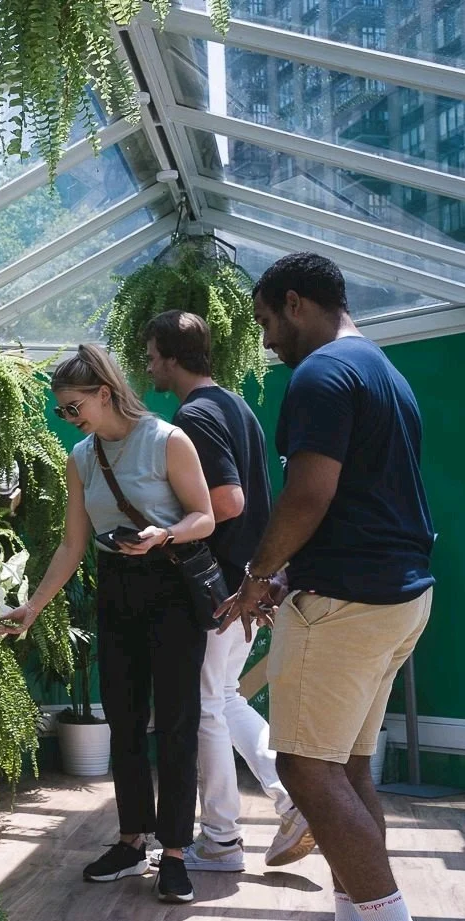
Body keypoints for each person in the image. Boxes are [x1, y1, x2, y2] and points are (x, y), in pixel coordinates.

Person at [219, 252, 465, 921]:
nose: (267, 342)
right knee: (348, 768)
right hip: (398, 597)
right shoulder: (381, 370)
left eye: (266, 322)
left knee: (304, 768)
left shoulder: (323, 375)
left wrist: (258, 574)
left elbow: (309, 493)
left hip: (345, 605)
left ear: (296, 302)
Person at [0, 343, 215, 904]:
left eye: (75, 407)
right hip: (117, 588)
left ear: (105, 392)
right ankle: (130, 839)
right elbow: (73, 543)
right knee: (123, 718)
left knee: (175, 722)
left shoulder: (168, 440)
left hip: (169, 586)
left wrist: (161, 534)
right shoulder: (82, 458)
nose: (69, 419)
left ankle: (173, 853)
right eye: (63, 412)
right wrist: (34, 607)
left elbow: (205, 516)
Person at [143, 310, 314, 873]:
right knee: (225, 698)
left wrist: (167, 527)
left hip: (216, 585)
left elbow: (229, 502)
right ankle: (293, 801)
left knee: (205, 708)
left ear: (171, 355)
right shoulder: (237, 406)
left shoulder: (194, 415)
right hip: (244, 578)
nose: (147, 366)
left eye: (150, 356)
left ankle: (221, 840)